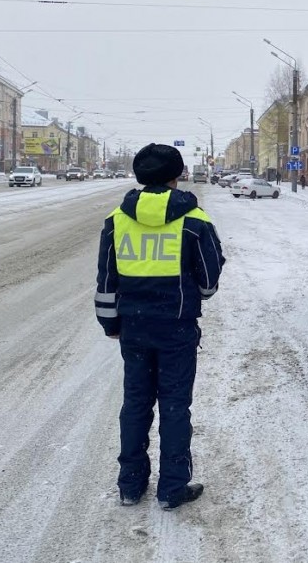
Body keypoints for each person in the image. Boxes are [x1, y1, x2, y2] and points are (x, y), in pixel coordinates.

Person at [95, 143, 226, 511]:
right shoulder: (195, 219)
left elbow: (106, 281)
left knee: (135, 403)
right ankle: (172, 488)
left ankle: (130, 486)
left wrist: (111, 324)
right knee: (174, 405)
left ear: (139, 176)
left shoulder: (117, 219)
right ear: (177, 175)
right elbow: (209, 284)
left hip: (134, 330)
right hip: (177, 329)